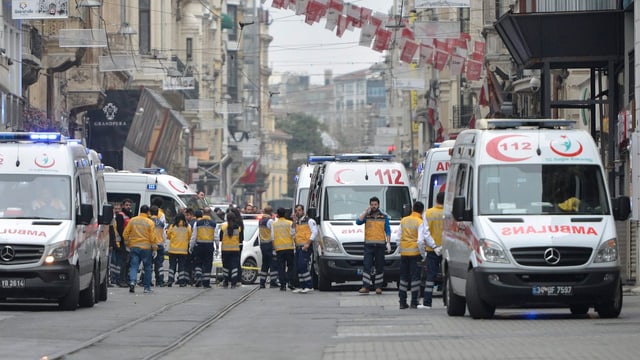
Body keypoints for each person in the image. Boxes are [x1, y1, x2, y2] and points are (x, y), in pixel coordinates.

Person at [355, 196, 391, 295]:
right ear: (369, 205)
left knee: (379, 266)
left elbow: (387, 230)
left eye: (375, 204)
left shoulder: (384, 216)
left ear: (378, 205)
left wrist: (388, 243)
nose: (374, 206)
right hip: (369, 245)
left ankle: (378, 287)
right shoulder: (367, 216)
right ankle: (366, 286)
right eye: (372, 205)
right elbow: (358, 222)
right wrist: (366, 212)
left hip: (380, 246)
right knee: (367, 266)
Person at [395, 201, 425, 309]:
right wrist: (423, 254)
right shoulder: (420, 222)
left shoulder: (403, 220)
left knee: (403, 278)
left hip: (404, 254)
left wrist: (401, 249)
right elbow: (421, 241)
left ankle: (402, 302)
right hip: (415, 253)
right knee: (415, 278)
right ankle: (414, 301)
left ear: (412, 209)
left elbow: (398, 238)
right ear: (422, 210)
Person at [123, 205, 158, 294]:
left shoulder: (133, 220)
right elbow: (153, 237)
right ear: (148, 212)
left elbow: (125, 234)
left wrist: (127, 244)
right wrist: (154, 249)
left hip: (134, 247)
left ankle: (132, 282)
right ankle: (146, 288)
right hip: (146, 248)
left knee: (134, 266)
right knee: (147, 268)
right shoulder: (150, 222)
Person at [417, 192, 444, 309]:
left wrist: (434, 246)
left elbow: (426, 233)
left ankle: (427, 303)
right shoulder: (449, 213)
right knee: (447, 276)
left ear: (436, 200)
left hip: (433, 250)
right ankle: (447, 303)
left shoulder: (428, 213)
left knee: (430, 277)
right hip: (447, 250)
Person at [292, 204, 318, 293]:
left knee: (303, 266)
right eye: (296, 211)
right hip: (298, 247)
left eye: (299, 210)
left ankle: (309, 285)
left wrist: (308, 244)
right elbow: (292, 233)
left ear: (303, 211)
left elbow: (314, 232)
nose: (297, 212)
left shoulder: (309, 221)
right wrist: (294, 222)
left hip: (305, 246)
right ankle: (302, 286)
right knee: (299, 267)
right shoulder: (297, 222)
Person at [189, 208, 217, 288]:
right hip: (209, 246)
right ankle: (206, 282)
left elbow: (194, 236)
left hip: (199, 245)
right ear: (210, 213)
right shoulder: (213, 224)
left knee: (198, 262)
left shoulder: (197, 223)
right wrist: (217, 246)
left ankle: (198, 277)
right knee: (208, 264)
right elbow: (216, 237)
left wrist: (191, 246)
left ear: (203, 213)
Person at [166, 212, 192, 287]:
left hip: (173, 250)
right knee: (182, 266)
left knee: (172, 266)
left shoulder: (172, 226)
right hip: (183, 250)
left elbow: (168, 236)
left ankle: (170, 280)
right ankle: (181, 282)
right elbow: (190, 236)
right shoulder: (188, 227)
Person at [273, 207, 295, 291]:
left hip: (279, 249)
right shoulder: (289, 223)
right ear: (285, 214)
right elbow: (293, 234)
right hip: (289, 247)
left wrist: (274, 249)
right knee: (290, 266)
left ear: (277, 214)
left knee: (281, 267)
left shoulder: (274, 224)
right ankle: (291, 283)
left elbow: (272, 237)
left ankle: (282, 285)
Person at [219, 210, 242, 288]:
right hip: (235, 250)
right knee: (234, 267)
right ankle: (233, 283)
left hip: (225, 250)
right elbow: (240, 239)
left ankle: (225, 282)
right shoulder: (238, 228)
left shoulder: (223, 227)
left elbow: (220, 238)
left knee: (225, 266)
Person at [114, 199, 133, 287]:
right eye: (126, 205)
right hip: (123, 241)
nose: (128, 207)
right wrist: (124, 240)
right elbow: (120, 229)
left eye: (129, 205)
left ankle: (125, 279)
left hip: (129, 242)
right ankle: (121, 280)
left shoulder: (129, 215)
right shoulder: (120, 216)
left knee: (128, 262)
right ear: (123, 206)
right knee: (123, 262)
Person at [258, 205, 275, 288]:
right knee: (272, 263)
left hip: (262, 244)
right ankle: (273, 282)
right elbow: (272, 234)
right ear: (271, 212)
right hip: (269, 244)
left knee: (264, 264)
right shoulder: (270, 221)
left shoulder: (260, 221)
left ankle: (262, 282)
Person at [149, 205, 167, 287]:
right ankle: (160, 281)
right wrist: (164, 243)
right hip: (160, 244)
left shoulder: (148, 221)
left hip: (150, 245)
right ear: (157, 213)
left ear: (150, 212)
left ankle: (146, 280)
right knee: (159, 264)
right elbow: (164, 235)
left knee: (148, 264)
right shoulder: (161, 223)